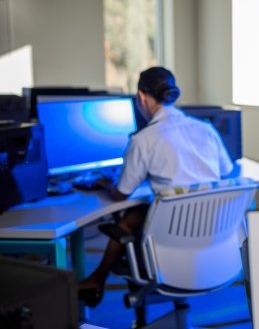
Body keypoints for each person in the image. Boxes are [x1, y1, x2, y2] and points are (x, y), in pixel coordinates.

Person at [77, 66, 235, 307]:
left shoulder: (143, 140)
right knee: (137, 214)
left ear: (141, 96)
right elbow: (226, 172)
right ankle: (95, 280)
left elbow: (122, 193)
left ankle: (95, 280)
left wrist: (107, 184)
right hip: (213, 248)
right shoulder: (205, 129)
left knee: (130, 216)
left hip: (170, 252)